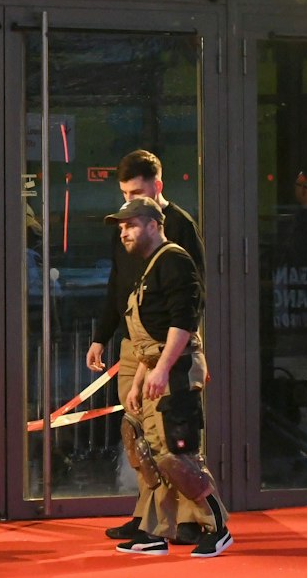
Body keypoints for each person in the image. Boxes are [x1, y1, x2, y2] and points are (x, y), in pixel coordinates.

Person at [87, 149, 208, 544]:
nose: (127, 200)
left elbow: (191, 300)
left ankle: (193, 518)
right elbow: (117, 286)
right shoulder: (125, 226)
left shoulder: (179, 229)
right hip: (135, 344)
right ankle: (149, 518)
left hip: (167, 345)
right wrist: (100, 336)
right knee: (140, 434)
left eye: (136, 191)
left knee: (176, 432)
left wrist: (183, 354)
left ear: (158, 186)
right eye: (123, 192)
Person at [104, 195, 233, 558]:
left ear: (153, 224)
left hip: (175, 371)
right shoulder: (150, 265)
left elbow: (183, 323)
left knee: (178, 454)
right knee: (145, 445)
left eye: (130, 225)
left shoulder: (174, 261)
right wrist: (143, 375)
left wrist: (160, 370)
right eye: (122, 227)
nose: (124, 233)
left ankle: (217, 526)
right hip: (158, 368)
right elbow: (154, 331)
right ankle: (154, 530)